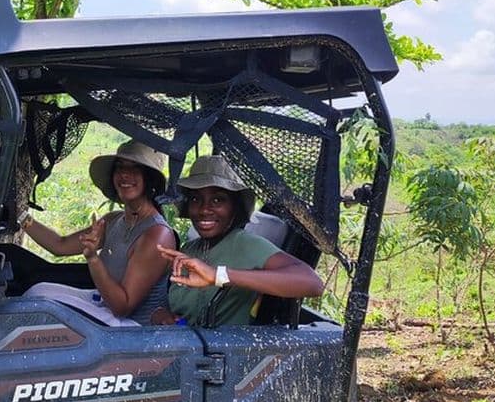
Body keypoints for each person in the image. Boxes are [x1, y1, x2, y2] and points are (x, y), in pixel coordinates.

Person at [151, 155, 323, 326]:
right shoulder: (190, 249)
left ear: (235, 207)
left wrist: (218, 275)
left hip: (225, 351)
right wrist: (161, 314)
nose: (204, 209)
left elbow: (312, 283)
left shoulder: (247, 245)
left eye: (217, 200)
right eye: (196, 199)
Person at [21, 139, 176, 325]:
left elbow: (123, 307)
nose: (125, 175)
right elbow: (59, 245)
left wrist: (93, 258)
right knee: (37, 292)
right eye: (120, 167)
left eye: (135, 169)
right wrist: (22, 218)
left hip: (133, 328)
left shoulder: (157, 234)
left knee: (38, 308)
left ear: (149, 178)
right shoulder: (114, 220)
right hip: (104, 306)